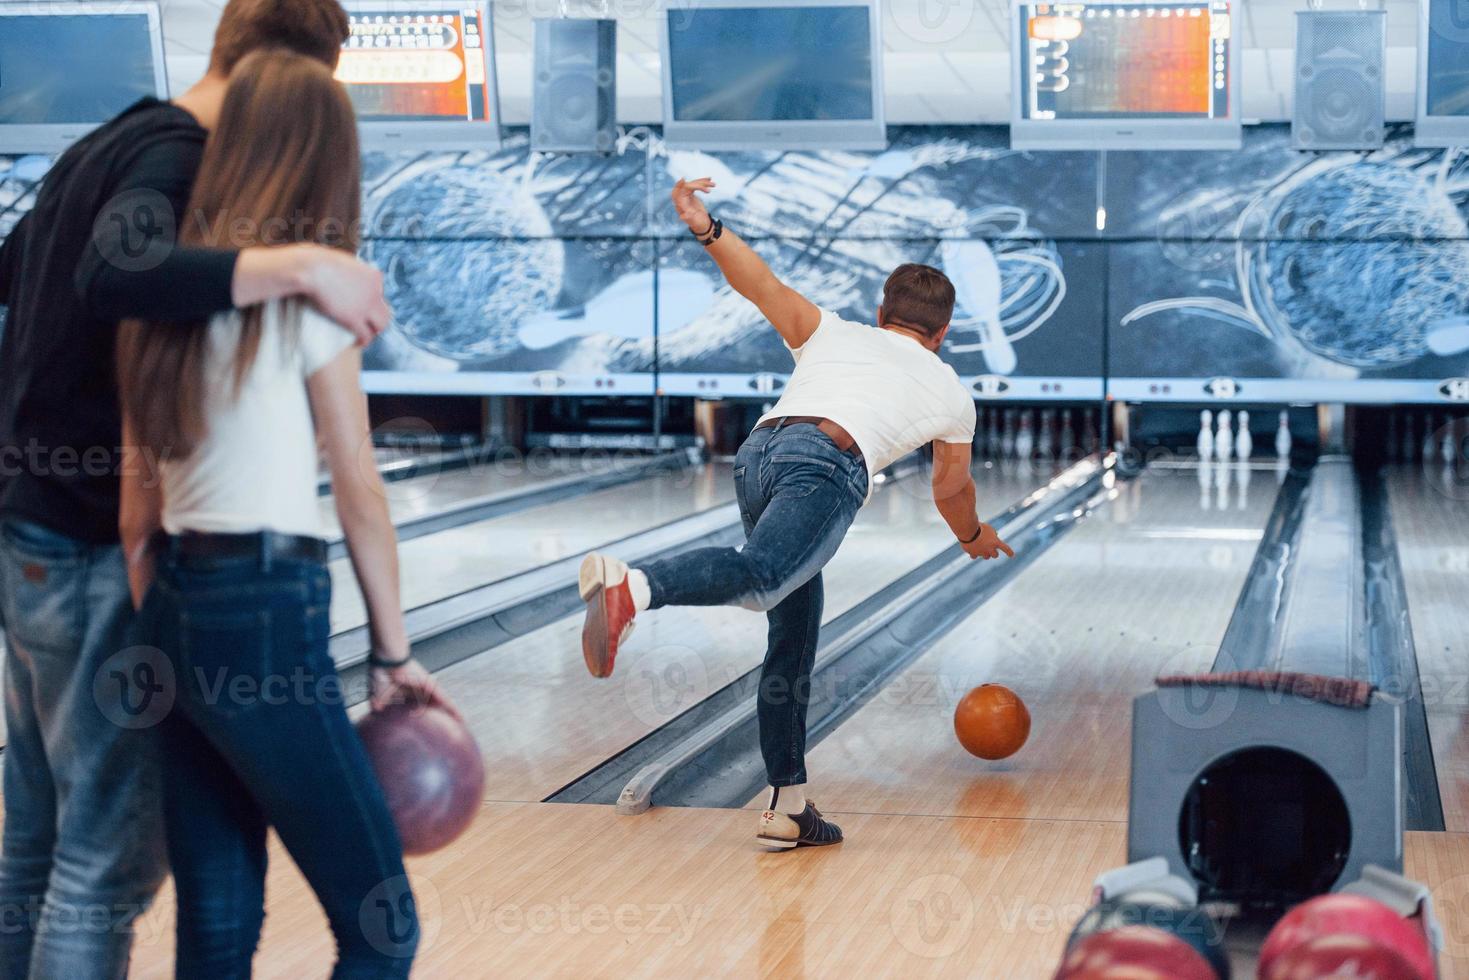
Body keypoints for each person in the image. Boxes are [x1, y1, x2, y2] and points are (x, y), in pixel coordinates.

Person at [0, 1, 388, 975]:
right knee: (102, 867)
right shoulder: (172, 155)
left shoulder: (102, 146)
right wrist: (304, 261)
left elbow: (29, 274)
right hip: (95, 549)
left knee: (35, 850)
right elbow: (111, 273)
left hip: (34, 529)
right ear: (292, 80)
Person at [118, 49, 444, 979]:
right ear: (327, 161)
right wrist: (392, 655)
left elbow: (135, 517)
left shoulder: (157, 307)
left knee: (217, 929)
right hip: (262, 610)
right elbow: (359, 491)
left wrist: (167, 621)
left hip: (172, 612)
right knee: (383, 931)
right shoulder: (314, 291)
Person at [579, 178, 1015, 850]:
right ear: (944, 331)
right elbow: (949, 489)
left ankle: (789, 804)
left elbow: (759, 283)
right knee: (762, 578)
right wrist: (974, 536)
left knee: (792, 636)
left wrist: (705, 226)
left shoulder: (831, 332)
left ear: (882, 311)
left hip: (759, 454)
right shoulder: (951, 390)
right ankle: (632, 588)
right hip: (826, 466)